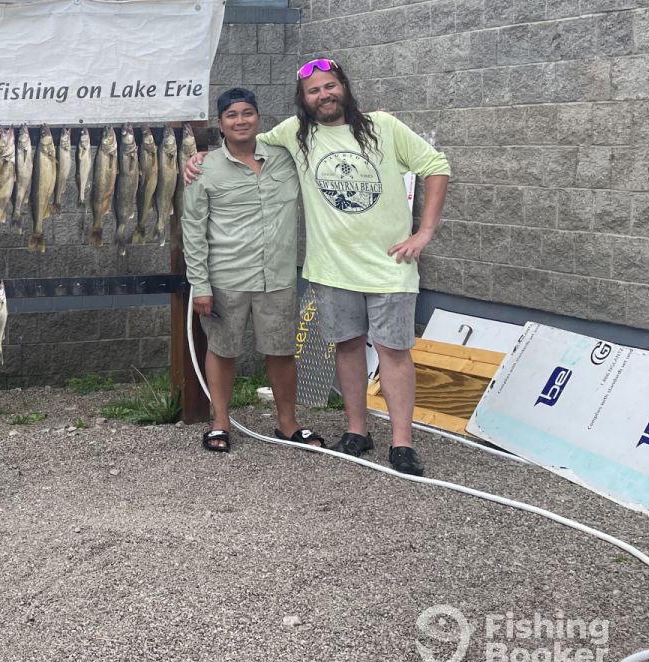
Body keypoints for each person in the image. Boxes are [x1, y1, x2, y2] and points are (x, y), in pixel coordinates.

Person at [185, 58, 451, 475]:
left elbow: (436, 167)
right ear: (303, 99)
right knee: (346, 347)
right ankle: (356, 431)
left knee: (393, 352)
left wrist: (424, 232)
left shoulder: (381, 126)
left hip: (388, 265)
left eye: (330, 86)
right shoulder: (295, 134)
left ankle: (402, 442)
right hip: (329, 269)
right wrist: (201, 156)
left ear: (343, 87)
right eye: (314, 90)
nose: (324, 95)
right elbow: (238, 146)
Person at [181, 87, 322, 454]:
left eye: (247, 113)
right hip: (226, 277)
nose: (240, 120)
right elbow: (193, 229)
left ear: (258, 118)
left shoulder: (286, 158)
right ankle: (220, 422)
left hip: (277, 277)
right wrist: (200, 285)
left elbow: (327, 137)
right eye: (232, 115)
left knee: (281, 351)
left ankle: (287, 422)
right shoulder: (204, 169)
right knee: (222, 350)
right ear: (220, 124)